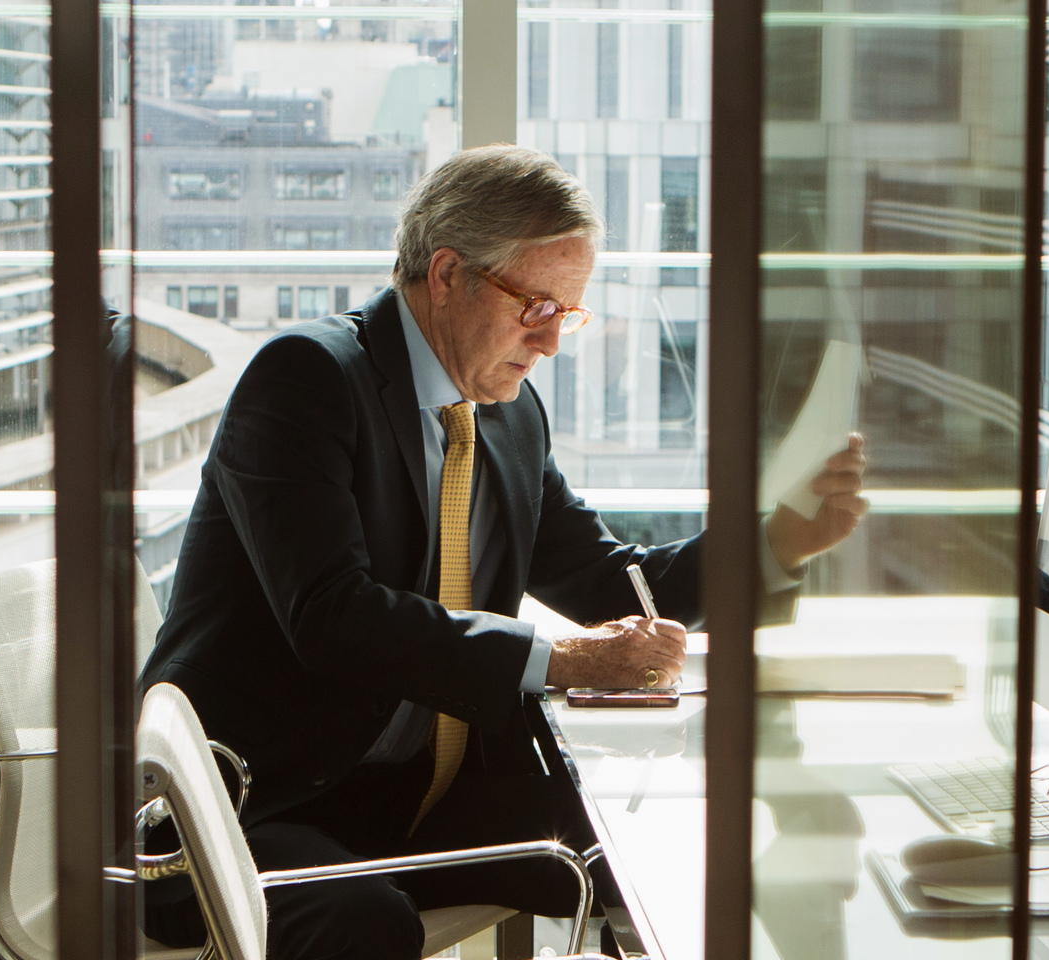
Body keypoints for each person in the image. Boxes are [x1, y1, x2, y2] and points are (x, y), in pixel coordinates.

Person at [140, 144, 870, 958]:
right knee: (365, 920)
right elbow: (333, 617)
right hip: (250, 808)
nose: (552, 343)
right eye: (537, 306)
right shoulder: (307, 378)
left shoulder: (508, 415)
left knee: (647, 840)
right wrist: (560, 660)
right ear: (448, 274)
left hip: (412, 805)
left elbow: (603, 579)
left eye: (569, 311)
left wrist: (775, 544)